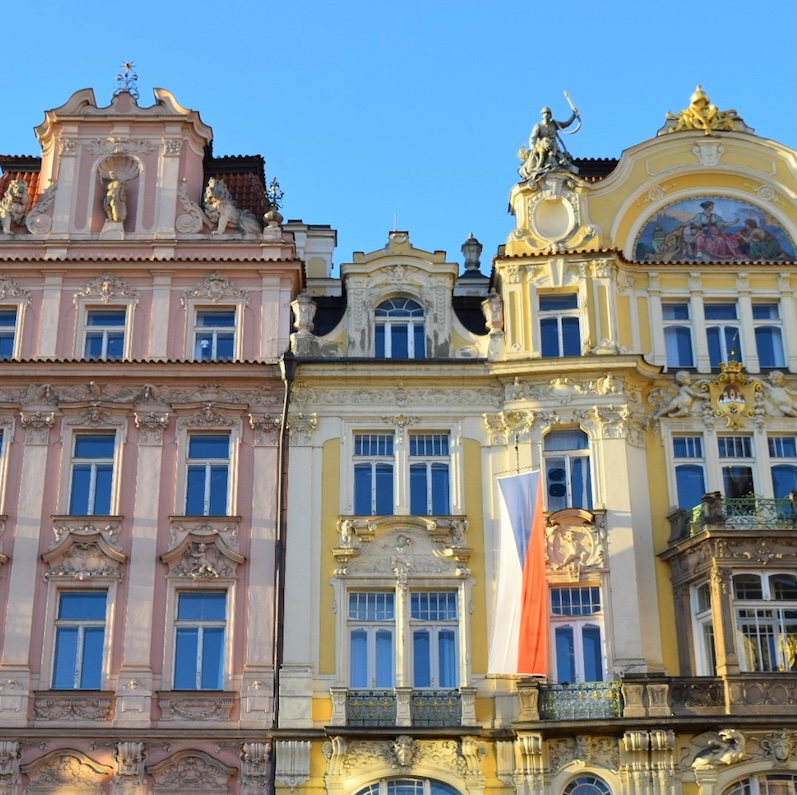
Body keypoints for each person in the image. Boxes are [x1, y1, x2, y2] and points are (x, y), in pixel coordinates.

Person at [519, 105, 580, 180]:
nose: (546, 115)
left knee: (562, 158)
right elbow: (532, 138)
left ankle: (556, 164)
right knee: (543, 150)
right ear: (542, 115)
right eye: (544, 113)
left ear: (551, 115)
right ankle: (539, 168)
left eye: (548, 113)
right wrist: (533, 147)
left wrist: (574, 116)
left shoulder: (554, 124)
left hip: (553, 146)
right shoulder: (538, 126)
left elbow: (566, 124)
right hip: (542, 146)